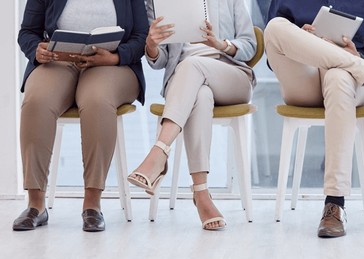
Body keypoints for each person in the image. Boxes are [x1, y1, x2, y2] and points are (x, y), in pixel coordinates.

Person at [266, 0, 364, 238]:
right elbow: (273, 55)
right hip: (303, 79)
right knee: (276, 27)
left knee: (339, 76)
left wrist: (358, 56)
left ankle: (334, 204)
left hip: (350, 83)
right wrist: (303, 43)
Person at [14, 0, 148, 232]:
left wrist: (116, 57)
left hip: (112, 64)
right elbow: (27, 32)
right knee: (37, 101)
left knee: (97, 100)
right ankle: (35, 204)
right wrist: (37, 49)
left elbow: (141, 35)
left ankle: (92, 205)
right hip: (59, 61)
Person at [127, 0, 257, 230]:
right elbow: (160, 61)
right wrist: (151, 45)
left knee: (192, 65)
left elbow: (250, 45)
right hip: (186, 84)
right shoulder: (157, 3)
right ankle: (201, 193)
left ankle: (159, 152)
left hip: (231, 75)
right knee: (202, 94)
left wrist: (221, 44)